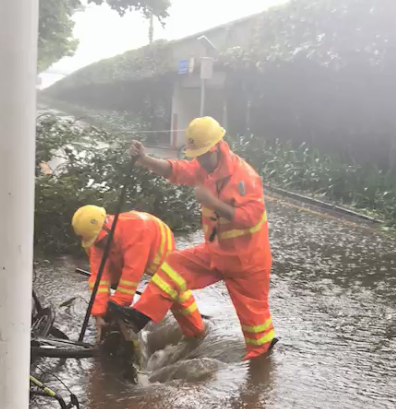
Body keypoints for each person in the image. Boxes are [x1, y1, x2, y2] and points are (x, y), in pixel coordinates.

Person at [108, 116, 277, 360]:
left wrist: (213, 203)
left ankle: (260, 366)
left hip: (247, 262)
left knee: (256, 328)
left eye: (202, 155)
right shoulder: (204, 168)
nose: (199, 161)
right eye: (196, 156)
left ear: (216, 147)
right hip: (218, 252)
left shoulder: (244, 177)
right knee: (174, 265)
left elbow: (250, 218)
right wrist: (144, 159)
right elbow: (175, 170)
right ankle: (138, 318)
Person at [71, 205, 205, 340]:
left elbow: (131, 274)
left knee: (172, 288)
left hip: (158, 247)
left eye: (100, 240)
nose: (99, 245)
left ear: (107, 226)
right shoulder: (96, 244)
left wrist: (116, 305)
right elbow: (99, 279)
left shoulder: (135, 230)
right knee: (110, 285)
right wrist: (99, 314)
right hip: (123, 250)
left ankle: (196, 331)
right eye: (96, 242)